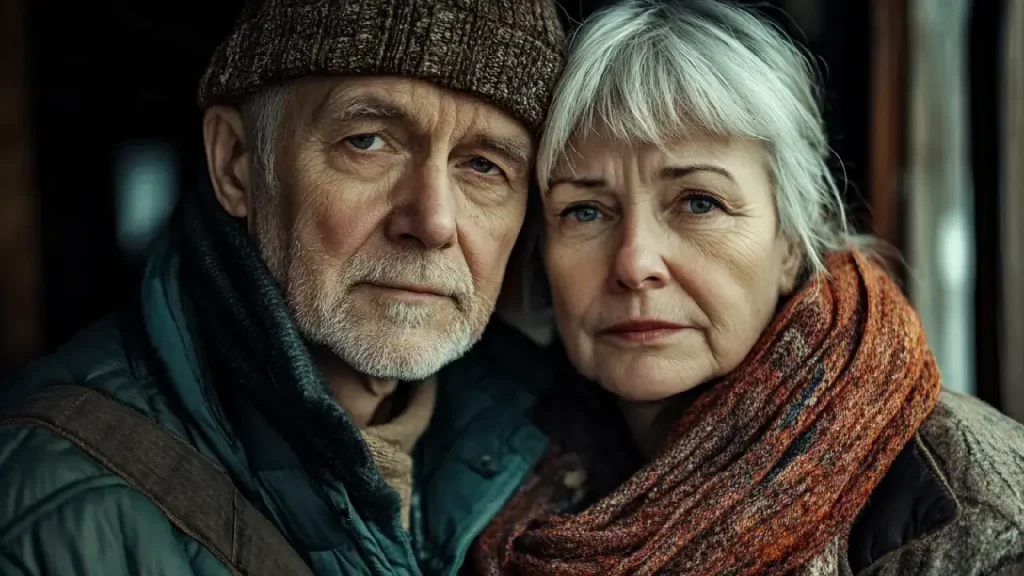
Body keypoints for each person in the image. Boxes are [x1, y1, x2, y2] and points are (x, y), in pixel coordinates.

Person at [0, 1, 565, 574]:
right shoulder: (45, 508)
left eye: (485, 166)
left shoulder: (569, 452)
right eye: (367, 141)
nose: (434, 221)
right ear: (237, 163)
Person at [472, 1, 1024, 575]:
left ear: (790, 241)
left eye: (699, 202)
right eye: (584, 211)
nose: (635, 264)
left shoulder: (975, 515)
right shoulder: (484, 467)